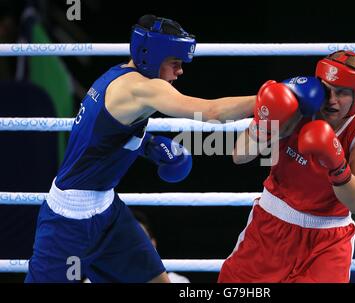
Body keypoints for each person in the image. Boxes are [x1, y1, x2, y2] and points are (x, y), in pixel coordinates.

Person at [25, 14, 255, 283]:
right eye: (175, 63)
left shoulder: (117, 76)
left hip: (108, 212)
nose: (180, 71)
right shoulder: (142, 88)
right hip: (68, 221)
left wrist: (147, 145)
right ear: (152, 55)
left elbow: (103, 135)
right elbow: (212, 112)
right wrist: (266, 97)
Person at [218, 50, 355, 283]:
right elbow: (240, 155)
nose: (332, 100)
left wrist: (336, 164)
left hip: (327, 241)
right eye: (327, 90)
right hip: (271, 227)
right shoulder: (296, 103)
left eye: (343, 93)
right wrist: (263, 124)